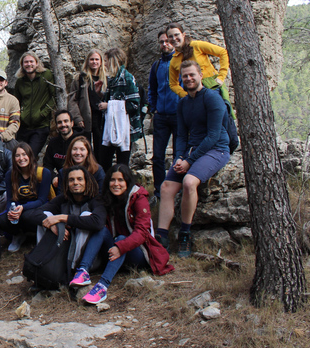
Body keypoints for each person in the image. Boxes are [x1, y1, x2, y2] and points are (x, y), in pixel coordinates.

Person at [157, 61, 231, 256]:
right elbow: (181, 135)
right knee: (166, 187)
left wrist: (190, 161)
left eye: (192, 75)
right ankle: (161, 237)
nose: (188, 79)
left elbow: (214, 135)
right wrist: (180, 158)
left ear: (200, 75)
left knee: (190, 182)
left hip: (216, 149)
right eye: (185, 76)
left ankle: (185, 234)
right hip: (192, 150)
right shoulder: (182, 103)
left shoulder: (212, 99)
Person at [70, 164, 174, 304]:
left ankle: (102, 286)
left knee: (121, 238)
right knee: (101, 228)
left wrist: (121, 246)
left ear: (127, 182)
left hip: (137, 253)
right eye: (113, 180)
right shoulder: (107, 198)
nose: (116, 184)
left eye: (121, 180)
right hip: (115, 251)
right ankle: (83, 270)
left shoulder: (138, 198)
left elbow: (142, 233)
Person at [29, 166, 107, 272]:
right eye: (71, 180)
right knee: (46, 216)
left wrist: (63, 218)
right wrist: (52, 225)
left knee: (86, 215)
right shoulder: (63, 199)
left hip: (87, 251)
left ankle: (74, 269)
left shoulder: (96, 199)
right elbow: (34, 214)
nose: (75, 183)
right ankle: (41, 260)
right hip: (66, 245)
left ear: (87, 181)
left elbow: (98, 223)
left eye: (80, 179)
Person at [0, 142, 52, 252]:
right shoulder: (10, 175)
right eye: (17, 156)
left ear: (30, 156)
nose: (21, 158)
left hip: (36, 208)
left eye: (24, 154)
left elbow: (42, 200)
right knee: (2, 219)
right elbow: (10, 199)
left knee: (27, 216)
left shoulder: (43, 173)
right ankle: (17, 235)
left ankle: (35, 236)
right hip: (18, 208)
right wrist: (11, 211)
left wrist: (23, 208)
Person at [148, 30, 180, 203]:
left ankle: (175, 187)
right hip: (161, 116)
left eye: (167, 41)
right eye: (161, 42)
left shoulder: (181, 61)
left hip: (178, 115)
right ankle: (159, 190)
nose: (165, 44)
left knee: (178, 154)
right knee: (158, 156)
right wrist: (154, 109)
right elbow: (152, 88)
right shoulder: (156, 65)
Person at [98, 48, 141, 172]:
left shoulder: (127, 78)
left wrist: (109, 106)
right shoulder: (112, 79)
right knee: (104, 160)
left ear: (113, 61)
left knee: (122, 163)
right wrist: (100, 95)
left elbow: (134, 104)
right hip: (110, 127)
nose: (104, 64)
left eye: (106, 61)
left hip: (124, 128)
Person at [166, 22, 230, 99]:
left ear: (183, 34)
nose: (174, 38)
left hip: (212, 87)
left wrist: (221, 76)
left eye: (176, 35)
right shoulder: (174, 60)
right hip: (194, 94)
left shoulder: (196, 46)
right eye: (170, 36)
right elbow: (173, 84)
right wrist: (185, 95)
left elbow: (222, 52)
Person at [14, 52, 56, 157]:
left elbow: (54, 97)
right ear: (22, 65)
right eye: (26, 62)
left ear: (37, 63)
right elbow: (16, 101)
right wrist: (21, 116)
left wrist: (43, 113)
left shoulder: (46, 75)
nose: (29, 64)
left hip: (40, 126)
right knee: (19, 154)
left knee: (30, 155)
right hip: (24, 126)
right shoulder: (20, 81)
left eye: (31, 61)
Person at [68, 49, 107, 152]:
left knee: (101, 147)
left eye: (97, 59)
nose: (94, 62)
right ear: (87, 61)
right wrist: (77, 118)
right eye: (92, 59)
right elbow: (72, 101)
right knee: (85, 146)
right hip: (85, 118)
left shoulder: (106, 79)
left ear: (101, 62)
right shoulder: (80, 79)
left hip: (101, 118)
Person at [42, 109, 80, 183]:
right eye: (59, 122)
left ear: (72, 123)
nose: (63, 125)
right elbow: (47, 165)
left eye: (66, 121)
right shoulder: (53, 143)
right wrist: (53, 177)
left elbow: (89, 164)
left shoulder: (81, 141)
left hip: (79, 179)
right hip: (59, 180)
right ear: (56, 126)